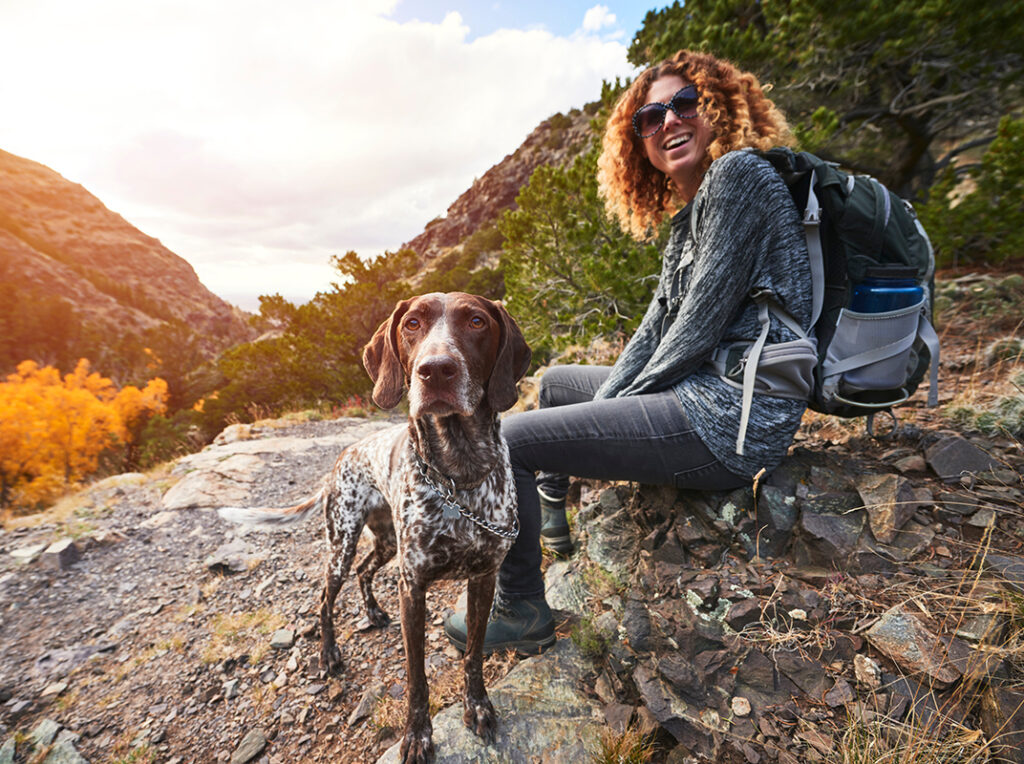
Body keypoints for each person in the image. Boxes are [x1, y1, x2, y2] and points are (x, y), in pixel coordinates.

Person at [444, 50, 812, 654]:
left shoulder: (739, 177)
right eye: (650, 117)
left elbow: (692, 333)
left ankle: (520, 610)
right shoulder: (691, 213)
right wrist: (597, 406)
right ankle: (552, 526)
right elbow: (653, 331)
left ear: (716, 108)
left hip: (731, 420)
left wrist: (601, 416)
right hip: (703, 393)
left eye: (684, 104)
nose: (669, 121)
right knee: (559, 383)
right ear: (638, 141)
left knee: (511, 439)